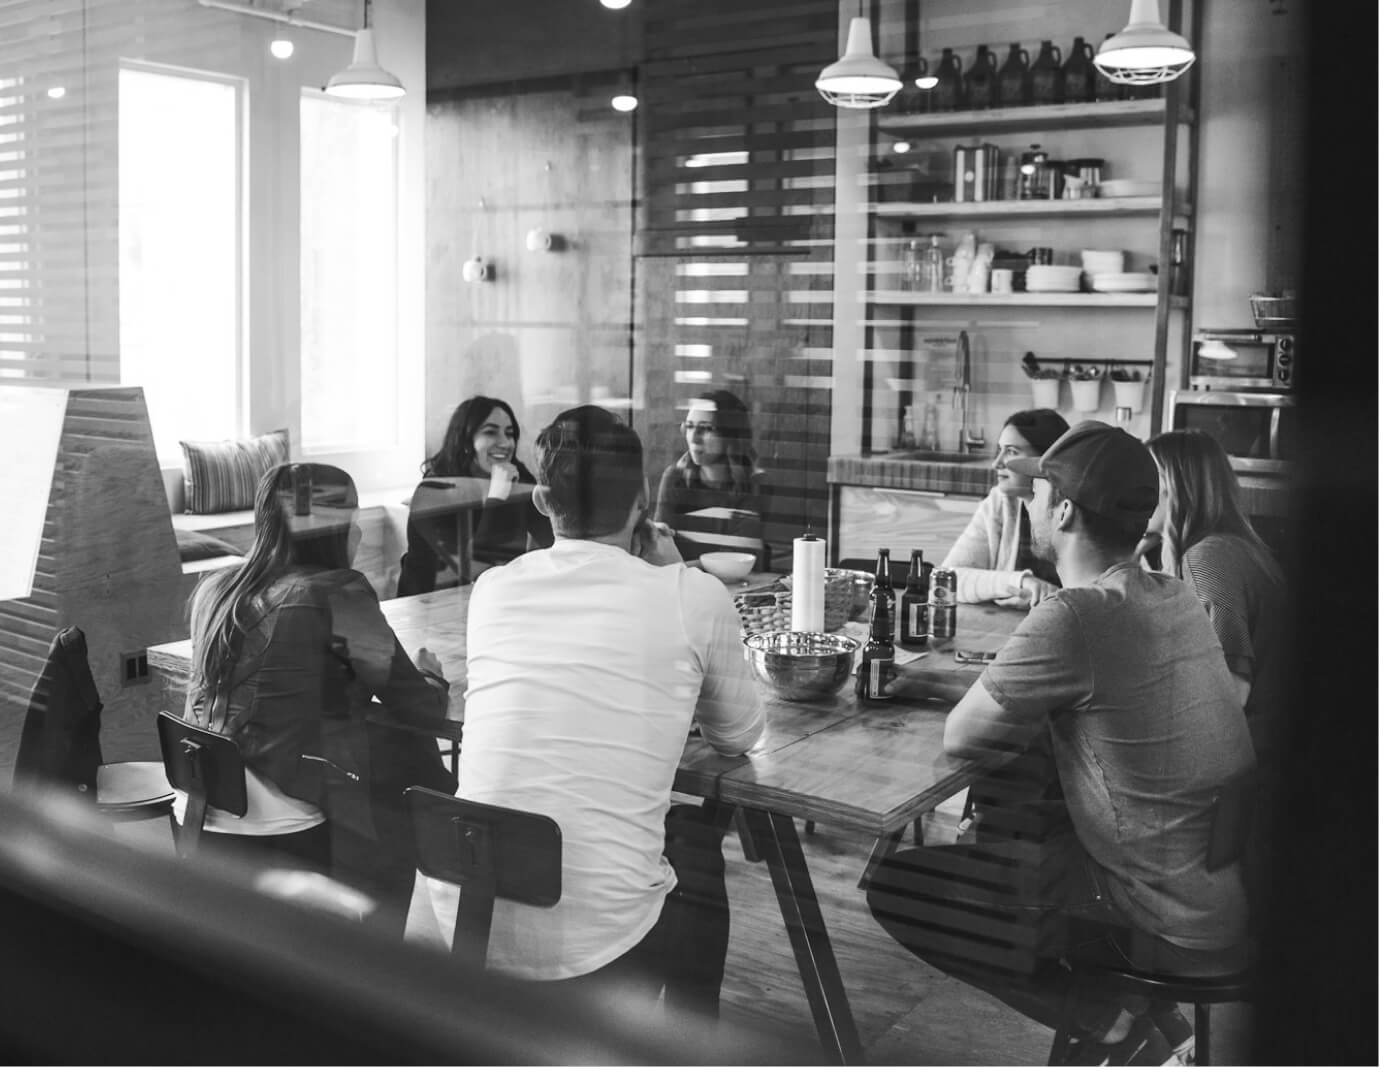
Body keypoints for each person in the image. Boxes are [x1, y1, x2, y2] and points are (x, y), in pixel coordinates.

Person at [867, 421, 1256, 1066]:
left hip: (1154, 915)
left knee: (900, 887)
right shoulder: (1172, 595)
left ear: (1066, 510)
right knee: (1030, 803)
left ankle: (1109, 1024)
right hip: (1216, 889)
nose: (1032, 503)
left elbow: (961, 737)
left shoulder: (1076, 615)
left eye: (1042, 491)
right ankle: (1158, 1030)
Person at [407, 405, 763, 1016]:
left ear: (542, 499)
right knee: (697, 845)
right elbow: (739, 735)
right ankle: (688, 1038)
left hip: (463, 912)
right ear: (644, 500)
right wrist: (674, 574)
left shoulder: (493, 589)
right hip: (600, 945)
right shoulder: (692, 595)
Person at [181, 463, 452, 908]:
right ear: (337, 528)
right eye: (354, 520)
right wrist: (431, 675)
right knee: (405, 765)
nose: (361, 533)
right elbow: (419, 706)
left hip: (201, 804)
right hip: (284, 814)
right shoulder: (337, 592)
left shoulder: (217, 590)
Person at [1144, 430, 1287, 770]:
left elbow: (1229, 692)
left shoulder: (1208, 557)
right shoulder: (1228, 546)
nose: (1134, 491)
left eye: (1145, 479)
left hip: (1257, 759)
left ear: (1175, 487)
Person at [397, 396, 554, 595]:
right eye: (490, 432)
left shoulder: (517, 477)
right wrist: (498, 497)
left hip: (494, 600)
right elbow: (479, 570)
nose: (505, 443)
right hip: (428, 611)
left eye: (510, 433)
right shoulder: (432, 492)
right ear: (465, 441)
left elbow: (554, 539)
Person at [940, 408, 1068, 607]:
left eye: (1011, 452)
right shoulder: (1000, 503)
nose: (996, 463)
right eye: (999, 450)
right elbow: (946, 580)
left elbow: (1100, 597)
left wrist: (1049, 599)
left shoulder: (1077, 511)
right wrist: (1021, 582)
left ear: (1045, 460)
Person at [653, 389, 769, 565]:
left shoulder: (752, 484)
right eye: (689, 426)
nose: (694, 438)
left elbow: (740, 560)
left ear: (730, 436)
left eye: (706, 429)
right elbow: (658, 550)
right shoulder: (675, 478)